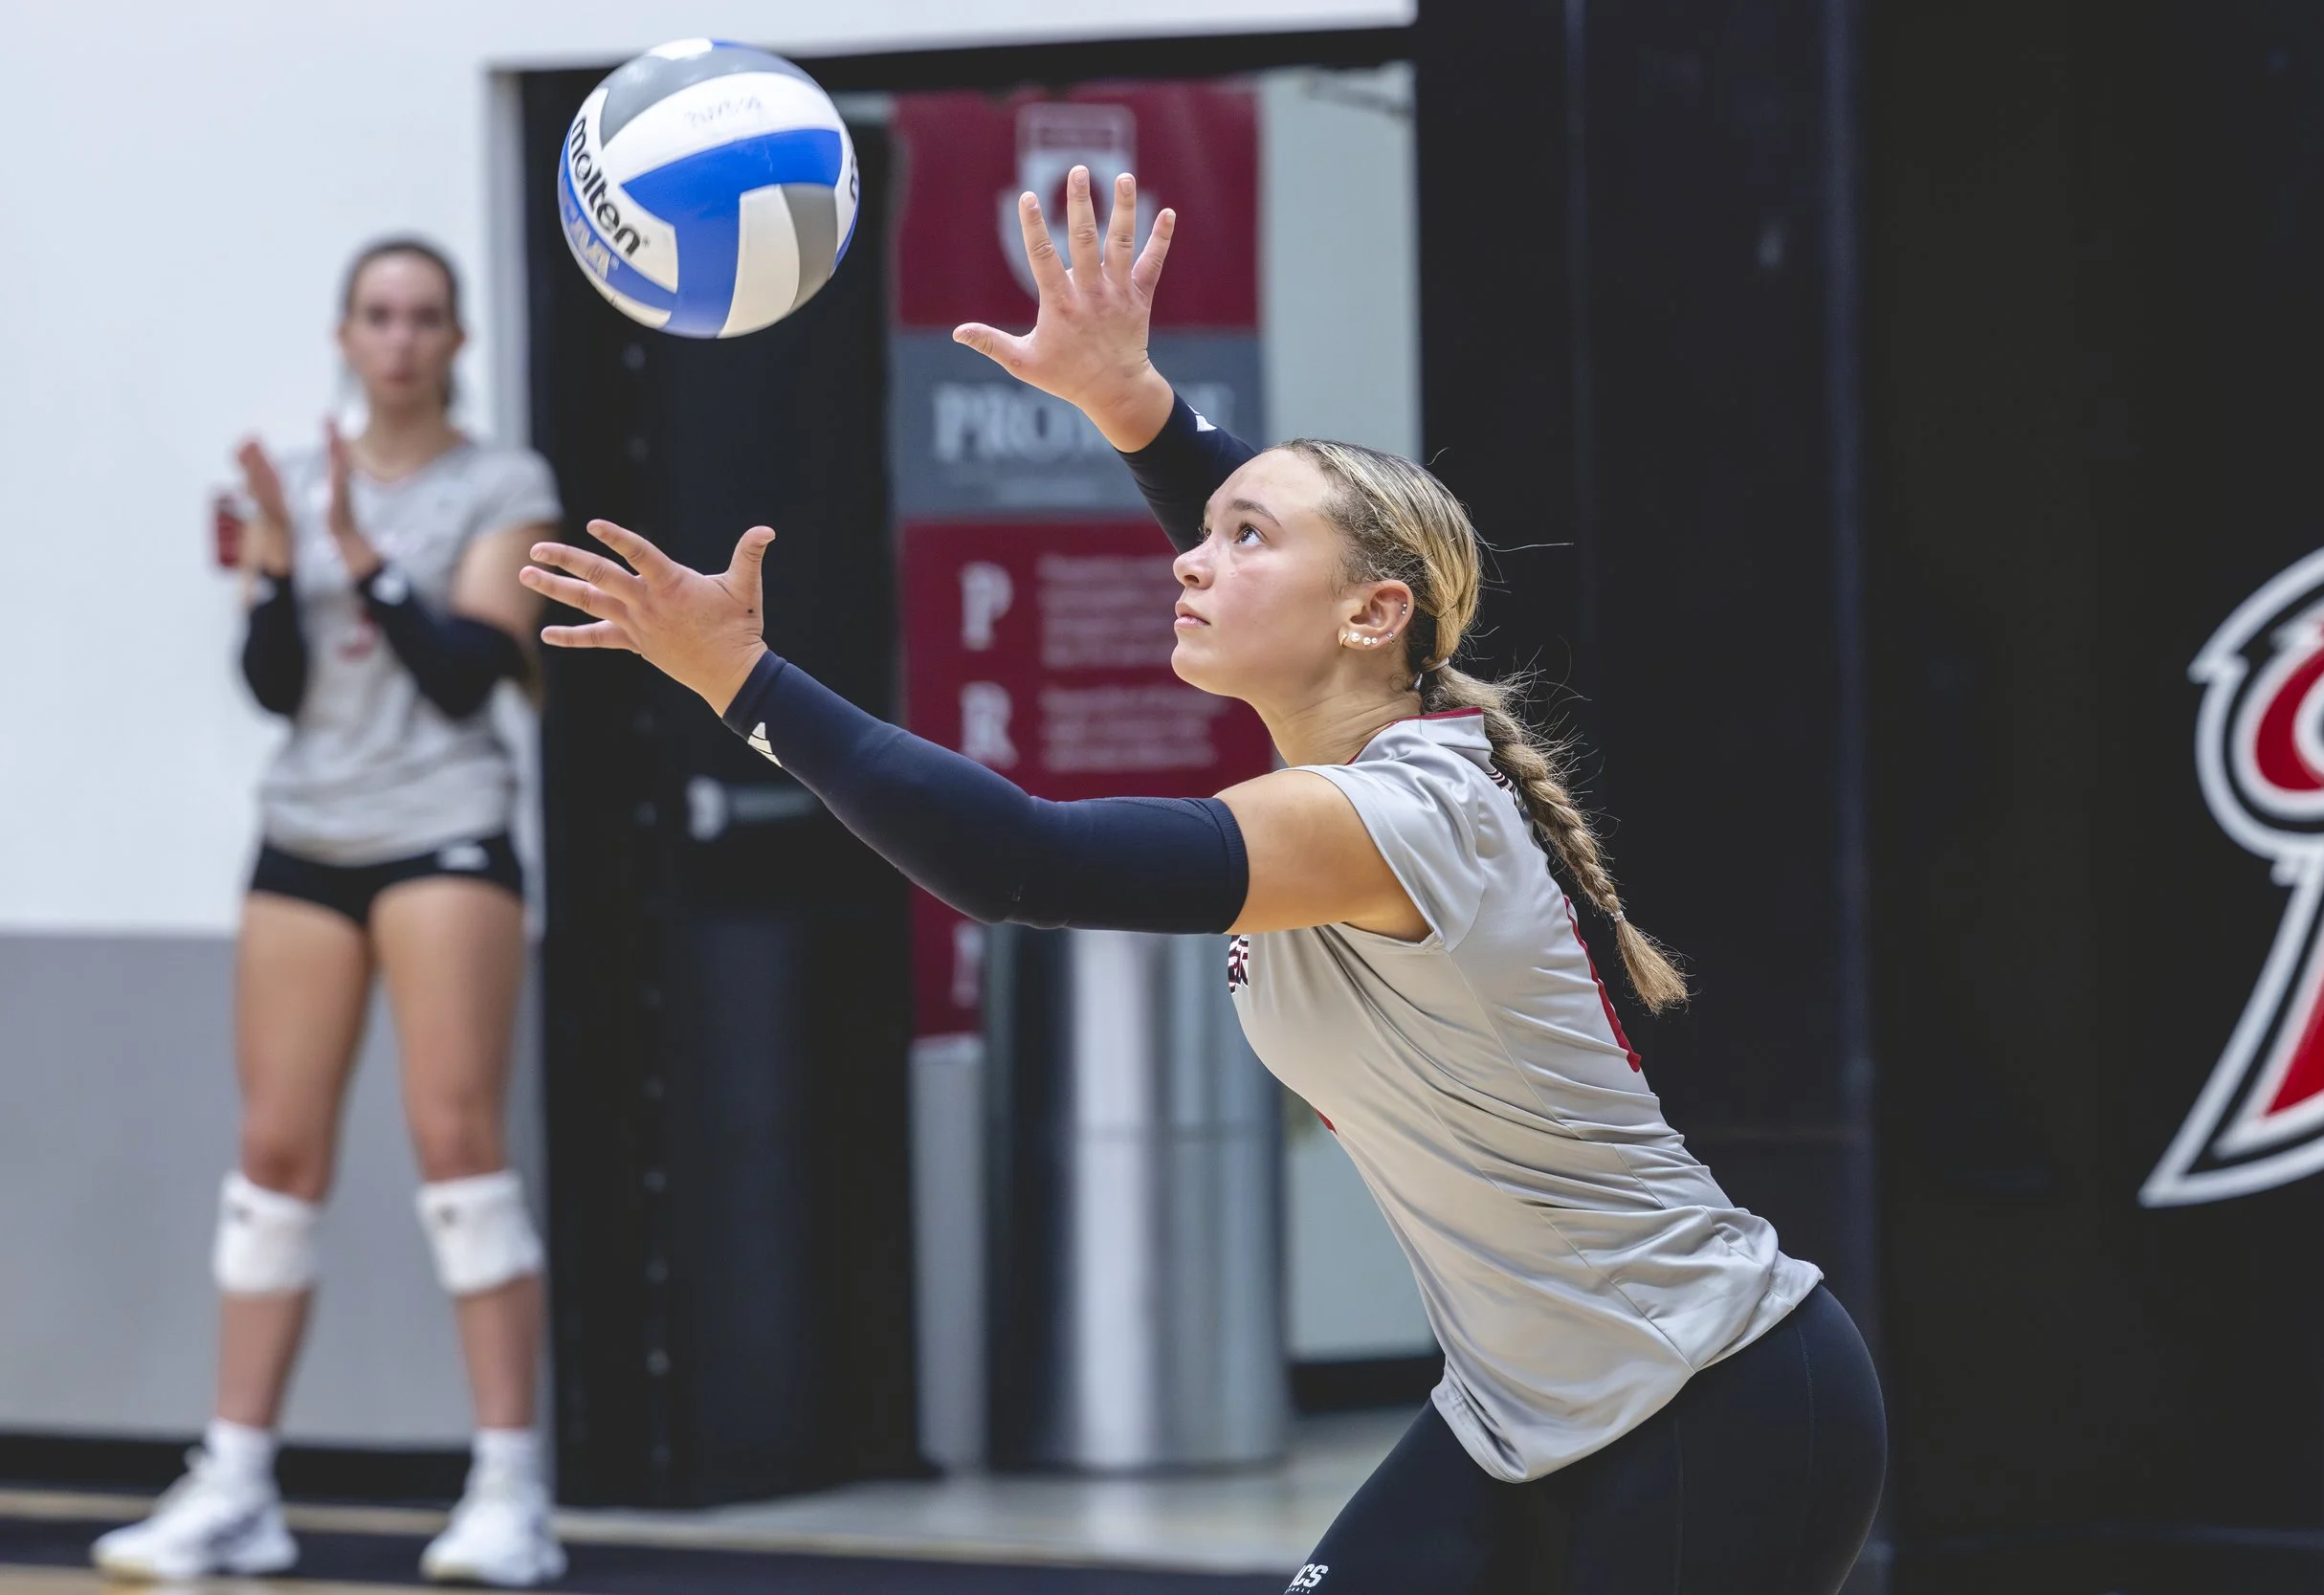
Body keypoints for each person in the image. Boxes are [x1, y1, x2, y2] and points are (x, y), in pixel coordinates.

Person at [522, 168, 1885, 1593]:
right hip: (1515, 1418)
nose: (1190, 563)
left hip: (1717, 1402)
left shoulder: (1397, 815)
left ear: (1375, 614)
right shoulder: (1371, 739)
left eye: (1244, 540)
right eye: (1206, 529)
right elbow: (1293, 561)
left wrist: (747, 683)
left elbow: (1019, 860)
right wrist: (1133, 404)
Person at [94, 239, 566, 1587]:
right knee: (274, 1159)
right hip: (307, 831)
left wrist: (362, 559)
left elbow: (471, 672)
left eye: (424, 318)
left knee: (458, 1151)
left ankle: (509, 1492)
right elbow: (274, 684)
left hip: (444, 828)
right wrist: (275, 560)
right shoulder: (293, 481)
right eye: (378, 316)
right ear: (344, 335)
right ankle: (236, 1484)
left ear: (456, 339)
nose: (400, 339)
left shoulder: (503, 484)